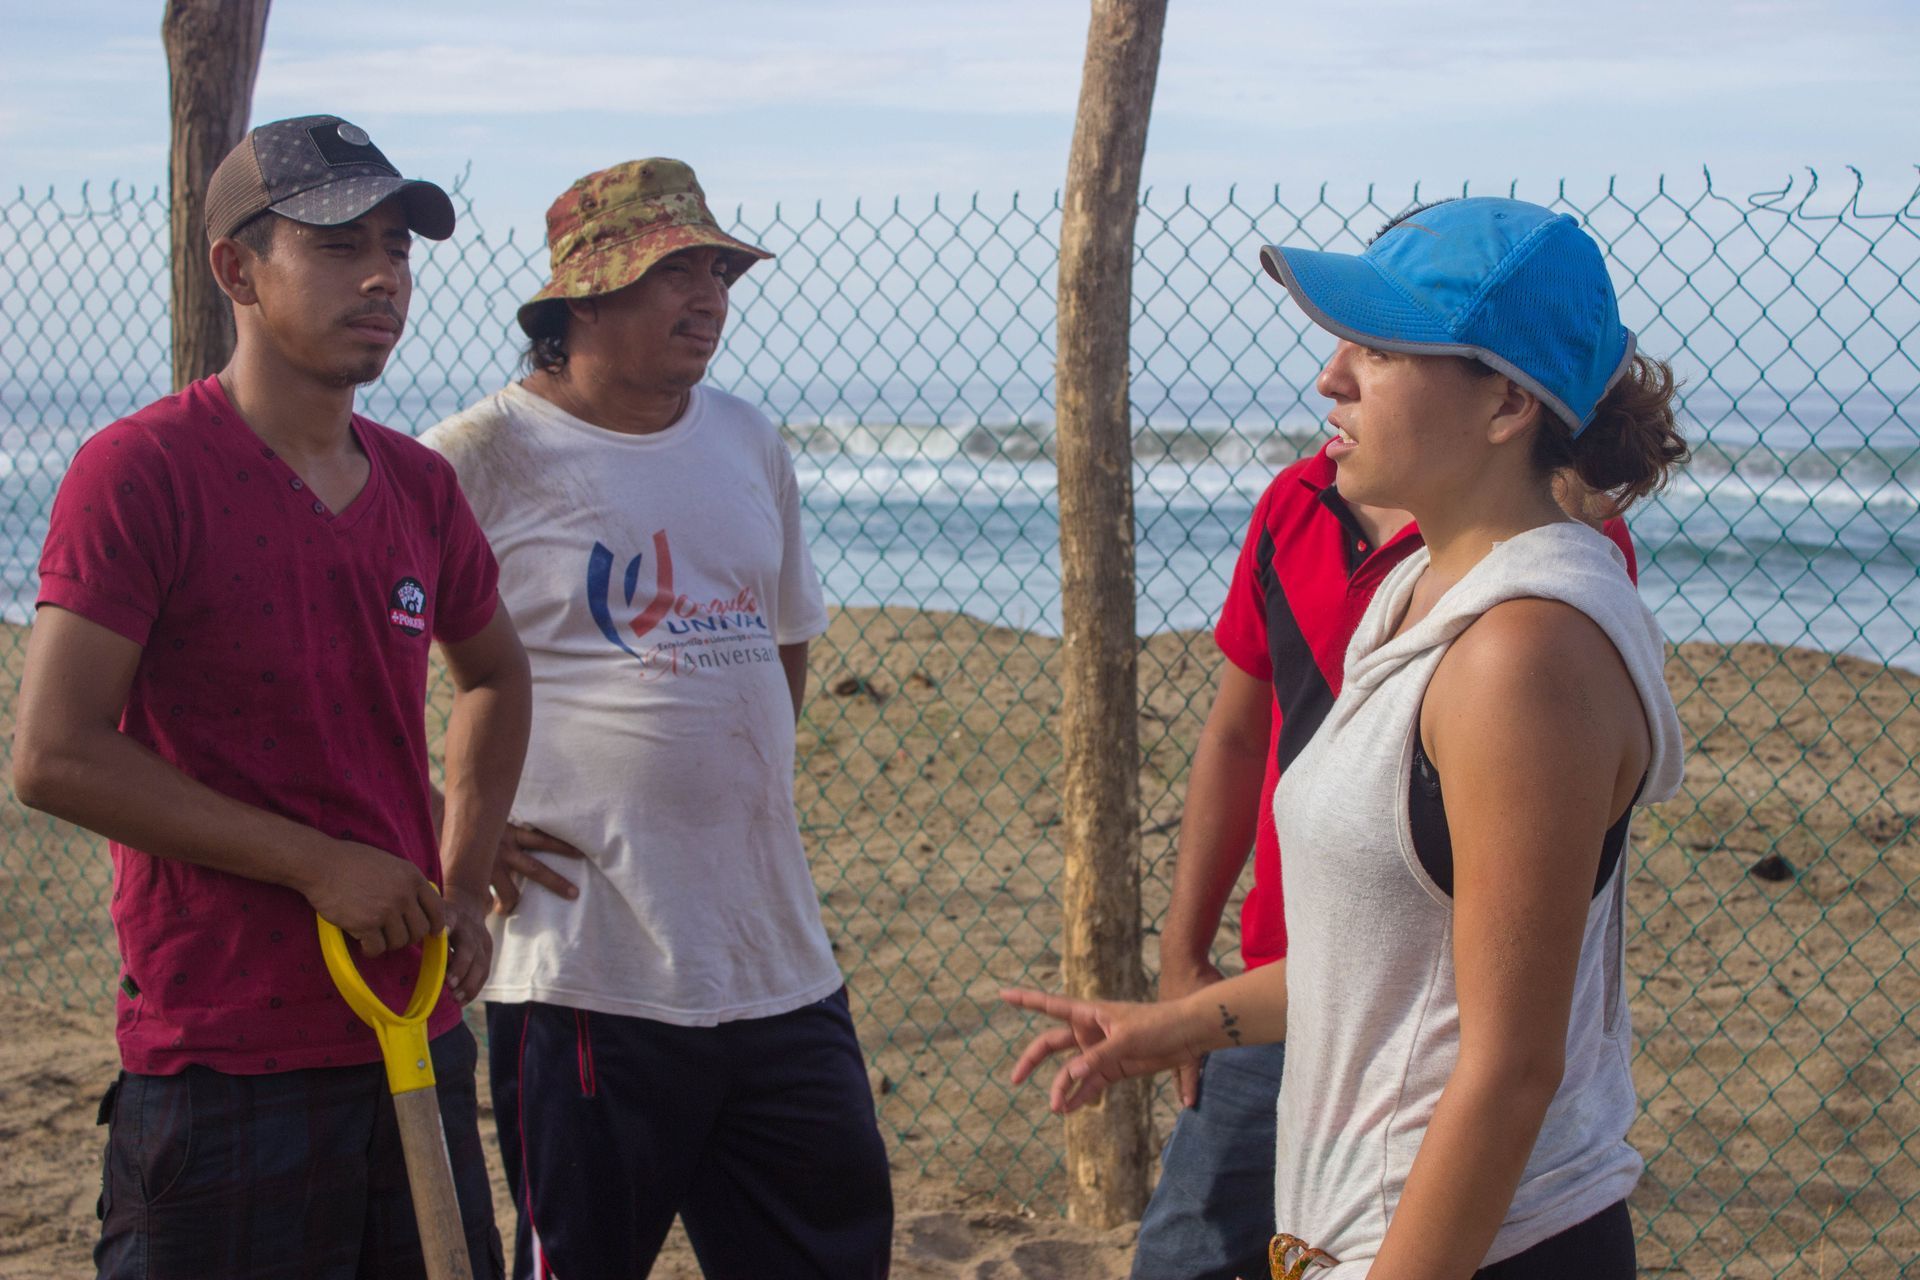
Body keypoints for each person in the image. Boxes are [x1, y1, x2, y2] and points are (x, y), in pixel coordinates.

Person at [1007, 196, 1688, 1279]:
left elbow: (1511, 1066)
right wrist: (1176, 1024)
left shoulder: (1523, 655)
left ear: (1508, 400)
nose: (1331, 375)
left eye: (1378, 347)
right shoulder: (1421, 589)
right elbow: (1388, 963)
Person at [12, 115, 529, 1278]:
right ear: (235, 268)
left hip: (408, 1026)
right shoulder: (141, 473)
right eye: (341, 242)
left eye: (398, 246)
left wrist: (462, 881)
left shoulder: (418, 485)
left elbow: (495, 669)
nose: (384, 276)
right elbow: (54, 751)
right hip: (224, 1056)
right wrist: (316, 862)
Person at [422, 157, 892, 1280]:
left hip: (774, 954)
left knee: (834, 1247)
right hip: (590, 967)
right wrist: (438, 811)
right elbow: (363, 655)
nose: (710, 296)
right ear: (579, 300)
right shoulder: (473, 458)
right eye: (672, 270)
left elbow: (782, 638)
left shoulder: (745, 438)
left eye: (719, 270)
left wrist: (729, 774)